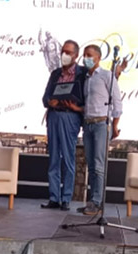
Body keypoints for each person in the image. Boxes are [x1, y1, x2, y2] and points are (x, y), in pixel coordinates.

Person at [77, 44, 123, 216]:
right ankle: (92, 201)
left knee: (98, 164)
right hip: (88, 124)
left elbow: (117, 102)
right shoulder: (86, 79)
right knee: (91, 165)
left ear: (98, 57)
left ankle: (97, 202)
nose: (86, 58)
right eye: (84, 55)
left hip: (101, 124)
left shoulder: (106, 75)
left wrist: (115, 125)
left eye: (89, 55)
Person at [41, 40, 86, 211]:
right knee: (53, 158)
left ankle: (66, 198)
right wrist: (49, 102)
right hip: (54, 115)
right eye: (63, 51)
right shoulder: (55, 73)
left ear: (76, 55)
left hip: (70, 116)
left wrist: (75, 104)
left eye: (68, 52)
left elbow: (86, 96)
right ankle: (54, 197)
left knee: (68, 158)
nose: (64, 55)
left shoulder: (82, 73)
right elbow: (45, 97)